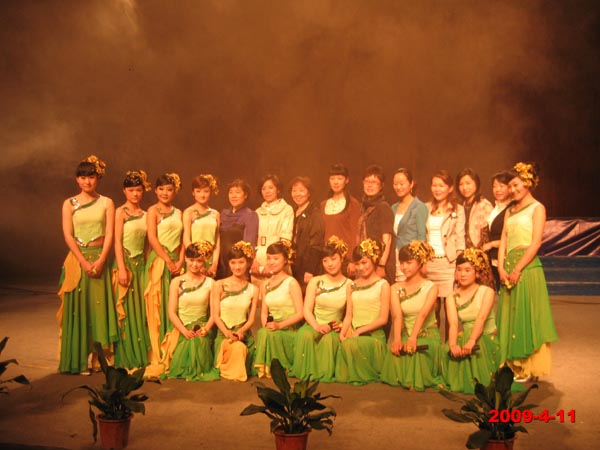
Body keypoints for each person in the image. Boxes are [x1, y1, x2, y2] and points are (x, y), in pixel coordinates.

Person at [497, 162, 558, 382]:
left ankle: (527, 366)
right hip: (508, 265)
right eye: (510, 186)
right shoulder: (509, 210)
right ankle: (511, 364)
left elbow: (535, 243)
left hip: (527, 267)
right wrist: (501, 267)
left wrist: (518, 268)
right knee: (509, 315)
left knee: (526, 315)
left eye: (516, 185)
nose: (512, 189)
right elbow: (504, 240)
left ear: (528, 183)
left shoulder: (537, 208)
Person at [58, 155, 117, 374]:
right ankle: (79, 360)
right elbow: (67, 234)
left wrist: (101, 260)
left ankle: (99, 358)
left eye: (91, 177)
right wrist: (82, 261)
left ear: (98, 178)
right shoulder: (69, 204)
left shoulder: (107, 202)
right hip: (77, 260)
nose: (87, 181)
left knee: (99, 309)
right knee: (79, 311)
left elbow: (110, 234)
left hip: (100, 257)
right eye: (82, 177)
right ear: (77, 179)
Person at [380, 241, 443, 391]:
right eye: (402, 263)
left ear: (420, 263)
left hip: (426, 333)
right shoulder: (395, 287)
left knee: (416, 353)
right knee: (398, 352)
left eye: (409, 262)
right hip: (406, 333)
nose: (404, 267)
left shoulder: (431, 287)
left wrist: (413, 338)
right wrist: (397, 339)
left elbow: (423, 314)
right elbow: (397, 316)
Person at [292, 236, 349, 381]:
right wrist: (317, 326)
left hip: (334, 327)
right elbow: (306, 310)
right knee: (304, 335)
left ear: (342, 258)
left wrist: (341, 326)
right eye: (325, 260)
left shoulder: (349, 284)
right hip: (314, 323)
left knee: (328, 340)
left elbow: (350, 314)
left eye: (333, 259)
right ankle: (306, 374)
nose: (330, 264)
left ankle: (323, 374)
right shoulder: (315, 281)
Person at [442, 248, 498, 393]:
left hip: (485, 337)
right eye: (459, 270)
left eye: (467, 270)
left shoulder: (486, 291)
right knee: (452, 347)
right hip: (466, 336)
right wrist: (453, 344)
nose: (462, 274)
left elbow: (481, 318)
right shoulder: (451, 297)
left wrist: (472, 340)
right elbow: (453, 324)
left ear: (477, 272)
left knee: (472, 341)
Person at [161, 242, 219, 381]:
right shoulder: (176, 282)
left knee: (197, 341)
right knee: (188, 343)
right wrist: (184, 331)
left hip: (202, 327)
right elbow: (171, 312)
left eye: (199, 261)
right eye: (191, 260)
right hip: (180, 327)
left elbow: (214, 314)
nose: (194, 264)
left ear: (204, 261)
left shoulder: (210, 283)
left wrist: (206, 329)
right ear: (186, 259)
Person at [335, 239, 390, 385]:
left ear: (374, 259)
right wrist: (342, 333)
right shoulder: (352, 285)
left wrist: (360, 331)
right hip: (354, 334)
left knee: (351, 345)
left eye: (364, 262)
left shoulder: (383, 285)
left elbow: (383, 319)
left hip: (373, 336)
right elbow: (349, 315)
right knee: (343, 343)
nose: (361, 267)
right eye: (357, 264)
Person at [144, 173, 185, 367]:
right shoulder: (152, 210)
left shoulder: (179, 212)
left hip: (177, 263)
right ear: (155, 190)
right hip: (160, 261)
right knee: (158, 305)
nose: (165, 193)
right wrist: (167, 259)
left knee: (177, 305)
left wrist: (181, 260)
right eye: (161, 189)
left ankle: (174, 350)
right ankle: (159, 351)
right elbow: (152, 238)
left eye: (169, 189)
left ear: (175, 191)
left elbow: (184, 240)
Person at [112, 170, 152, 369]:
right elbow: (117, 242)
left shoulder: (146, 215)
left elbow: (148, 244)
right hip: (125, 263)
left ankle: (141, 354)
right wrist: (121, 268)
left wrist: (147, 265)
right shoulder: (120, 212)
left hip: (141, 266)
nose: (135, 194)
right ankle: (127, 356)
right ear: (124, 191)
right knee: (127, 311)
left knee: (141, 311)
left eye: (138, 190)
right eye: (131, 190)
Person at [254, 241, 304, 377]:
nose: (271, 262)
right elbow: (264, 312)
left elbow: (300, 314)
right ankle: (266, 369)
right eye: (269, 258)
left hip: (288, 330)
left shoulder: (291, 283)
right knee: (263, 332)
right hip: (272, 329)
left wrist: (279, 325)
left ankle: (276, 367)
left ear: (285, 260)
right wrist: (267, 326)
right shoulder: (265, 285)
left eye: (276, 258)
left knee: (267, 334)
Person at [425, 170, 465, 336]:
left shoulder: (458, 209)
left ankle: (450, 344)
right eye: (434, 185)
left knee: (450, 309)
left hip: (449, 263)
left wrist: (458, 267)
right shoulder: (425, 208)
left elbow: (460, 238)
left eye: (441, 185)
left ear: (450, 188)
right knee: (432, 309)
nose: (437, 189)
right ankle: (434, 343)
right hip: (429, 263)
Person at [212, 241, 259, 381]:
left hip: (242, 335)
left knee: (240, 348)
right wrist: (227, 333)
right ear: (228, 263)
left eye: (241, 262)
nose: (237, 267)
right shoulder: (219, 285)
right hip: (223, 334)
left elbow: (251, 319)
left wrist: (241, 332)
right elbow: (215, 315)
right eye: (233, 262)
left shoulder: (253, 289)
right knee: (236, 349)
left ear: (248, 263)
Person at [251, 175, 294, 281]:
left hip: (277, 258)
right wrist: (253, 260)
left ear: (278, 189)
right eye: (263, 188)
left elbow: (286, 239)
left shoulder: (286, 210)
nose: (267, 191)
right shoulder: (257, 212)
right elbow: (252, 239)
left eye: (270, 187)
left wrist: (272, 262)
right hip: (258, 260)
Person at [320, 164, 361, 275]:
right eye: (332, 178)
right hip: (327, 259)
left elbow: (355, 233)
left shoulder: (352, 204)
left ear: (346, 180)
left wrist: (353, 260)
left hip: (345, 260)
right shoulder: (323, 205)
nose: (336, 182)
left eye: (339, 178)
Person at [358, 164, 395, 283]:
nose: (369, 185)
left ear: (381, 185)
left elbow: (387, 239)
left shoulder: (383, 207)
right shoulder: (363, 207)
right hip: (366, 263)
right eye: (367, 181)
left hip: (380, 265)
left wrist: (381, 266)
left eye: (374, 182)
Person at [391, 168, 428, 281]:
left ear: (411, 184)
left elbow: (422, 236)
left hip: (411, 259)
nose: (398, 187)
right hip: (395, 257)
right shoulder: (393, 208)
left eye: (402, 184)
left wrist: (423, 262)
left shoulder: (419, 206)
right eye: (395, 184)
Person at [290, 176, 325, 293]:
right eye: (294, 190)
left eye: (301, 190)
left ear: (309, 193)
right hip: (293, 266)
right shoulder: (291, 212)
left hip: (306, 269)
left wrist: (310, 270)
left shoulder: (314, 214)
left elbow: (316, 245)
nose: (297, 194)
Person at [217, 179, 258, 278]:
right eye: (231, 192)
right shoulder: (223, 213)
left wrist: (242, 266)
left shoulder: (250, 215)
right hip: (220, 263)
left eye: (238, 192)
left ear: (245, 195)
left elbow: (249, 245)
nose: (233, 196)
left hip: (237, 264)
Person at [183, 174, 220, 277]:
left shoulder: (215, 214)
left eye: (206, 191)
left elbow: (217, 242)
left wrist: (215, 264)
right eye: (198, 191)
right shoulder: (189, 212)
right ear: (193, 193)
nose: (202, 195)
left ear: (210, 192)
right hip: (193, 260)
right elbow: (186, 239)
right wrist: (196, 261)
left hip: (210, 260)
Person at [481, 171, 513, 289]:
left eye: (501, 186)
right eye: (494, 186)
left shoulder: (512, 209)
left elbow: (513, 237)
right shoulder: (496, 208)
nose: (497, 189)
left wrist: (492, 244)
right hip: (494, 258)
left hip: (507, 258)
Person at [456, 168, 493, 249]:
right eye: (461, 184)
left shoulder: (484, 205)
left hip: (478, 251)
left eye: (468, 183)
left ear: (476, 183)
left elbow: (486, 236)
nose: (464, 187)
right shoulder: (460, 206)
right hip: (462, 250)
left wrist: (477, 252)